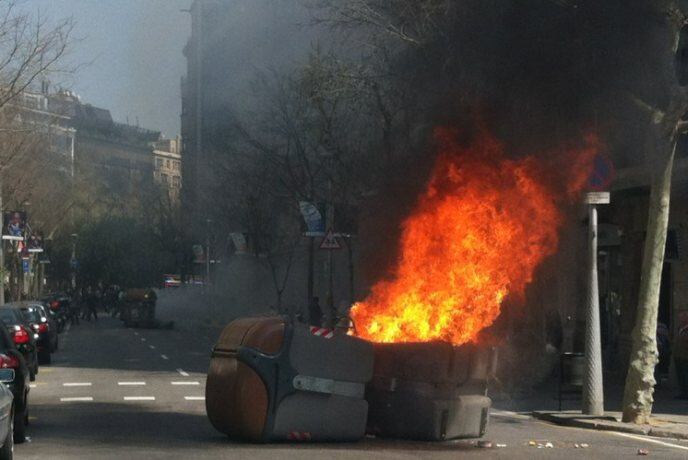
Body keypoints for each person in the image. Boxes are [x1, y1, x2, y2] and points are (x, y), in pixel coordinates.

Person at [674, 313, 688, 399]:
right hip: (678, 356)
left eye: (682, 318)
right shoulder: (680, 329)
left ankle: (686, 393)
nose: (680, 320)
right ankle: (683, 392)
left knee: (685, 376)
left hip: (685, 357)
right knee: (681, 376)